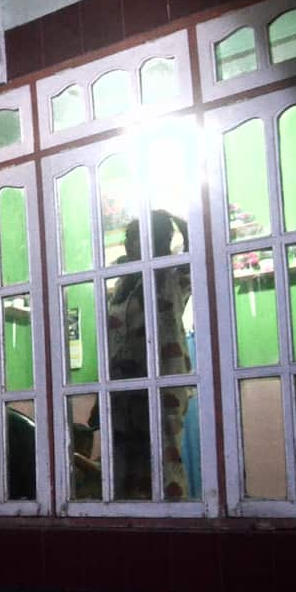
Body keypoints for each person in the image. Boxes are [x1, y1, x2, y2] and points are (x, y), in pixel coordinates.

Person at [101, 210, 194, 500]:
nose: (129, 244)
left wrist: (174, 217)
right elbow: (113, 340)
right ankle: (129, 518)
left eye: (137, 237)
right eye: (128, 238)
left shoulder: (171, 274)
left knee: (162, 458)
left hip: (161, 382)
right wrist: (101, 394)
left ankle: (171, 517)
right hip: (121, 388)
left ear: (156, 239)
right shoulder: (121, 285)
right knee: (122, 462)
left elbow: (199, 245)